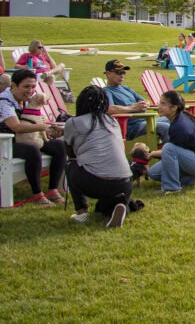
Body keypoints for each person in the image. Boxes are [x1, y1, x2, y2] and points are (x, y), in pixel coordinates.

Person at [63, 86, 134, 227]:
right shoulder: (112, 121)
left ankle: (82, 212)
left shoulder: (73, 122)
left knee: (70, 164)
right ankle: (121, 208)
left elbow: (71, 154)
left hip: (95, 181)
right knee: (107, 206)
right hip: (124, 181)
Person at [0, 69, 67, 205]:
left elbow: (35, 119)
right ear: (13, 86)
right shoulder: (4, 102)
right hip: (5, 142)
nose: (30, 91)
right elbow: (16, 127)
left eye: (33, 87)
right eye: (26, 86)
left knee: (59, 146)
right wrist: (42, 127)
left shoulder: (25, 99)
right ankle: (37, 194)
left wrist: (49, 127)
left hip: (27, 138)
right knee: (32, 151)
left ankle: (53, 189)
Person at [145, 90, 195, 194]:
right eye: (159, 103)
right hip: (191, 158)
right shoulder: (178, 117)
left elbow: (171, 151)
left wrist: (152, 154)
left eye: (163, 103)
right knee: (153, 173)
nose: (159, 106)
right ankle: (189, 179)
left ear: (173, 108)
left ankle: (172, 188)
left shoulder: (179, 127)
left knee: (168, 147)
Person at [102, 59, 156, 140]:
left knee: (173, 120)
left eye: (123, 72)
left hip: (145, 121)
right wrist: (134, 108)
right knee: (164, 127)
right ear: (108, 74)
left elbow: (144, 100)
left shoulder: (126, 88)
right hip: (131, 127)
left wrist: (145, 104)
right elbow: (110, 109)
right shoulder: (106, 91)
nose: (122, 75)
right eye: (118, 73)